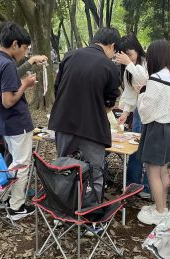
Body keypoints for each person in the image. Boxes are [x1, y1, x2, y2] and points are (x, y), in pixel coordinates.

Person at [49, 27, 121, 206]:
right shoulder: (110, 67)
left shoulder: (69, 56)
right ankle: (91, 215)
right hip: (92, 129)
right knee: (94, 172)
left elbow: (58, 89)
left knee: (64, 167)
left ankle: (64, 211)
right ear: (112, 46)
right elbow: (110, 102)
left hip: (64, 124)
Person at [0, 22, 37, 221]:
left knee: (11, 160)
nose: (25, 53)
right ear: (15, 44)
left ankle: (0, 196)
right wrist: (26, 84)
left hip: (2, 123)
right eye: (25, 48)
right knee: (21, 164)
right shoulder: (6, 64)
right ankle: (17, 207)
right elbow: (8, 101)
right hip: (16, 122)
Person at [135, 39, 170, 225]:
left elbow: (145, 111)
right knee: (164, 171)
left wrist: (141, 94)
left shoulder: (155, 79)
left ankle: (160, 211)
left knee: (153, 173)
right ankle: (162, 207)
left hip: (156, 129)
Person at [115, 33, 150, 199]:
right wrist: (125, 113)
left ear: (137, 49)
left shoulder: (146, 63)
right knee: (135, 149)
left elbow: (144, 78)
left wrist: (129, 63)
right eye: (125, 55)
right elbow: (130, 94)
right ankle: (132, 184)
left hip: (151, 113)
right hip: (137, 113)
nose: (129, 58)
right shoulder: (127, 69)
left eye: (130, 53)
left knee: (149, 151)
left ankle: (149, 187)